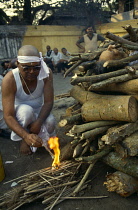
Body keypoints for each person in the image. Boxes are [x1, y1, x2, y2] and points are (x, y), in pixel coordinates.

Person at [2, 45, 56, 155]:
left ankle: (38, 138)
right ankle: (24, 139)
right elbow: (8, 115)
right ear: (18, 64)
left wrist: (39, 121)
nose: (32, 72)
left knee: (51, 121)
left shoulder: (46, 73)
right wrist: (26, 136)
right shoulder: (10, 79)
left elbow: (48, 102)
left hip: (39, 109)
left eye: (36, 68)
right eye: (26, 68)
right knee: (26, 111)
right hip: (20, 113)